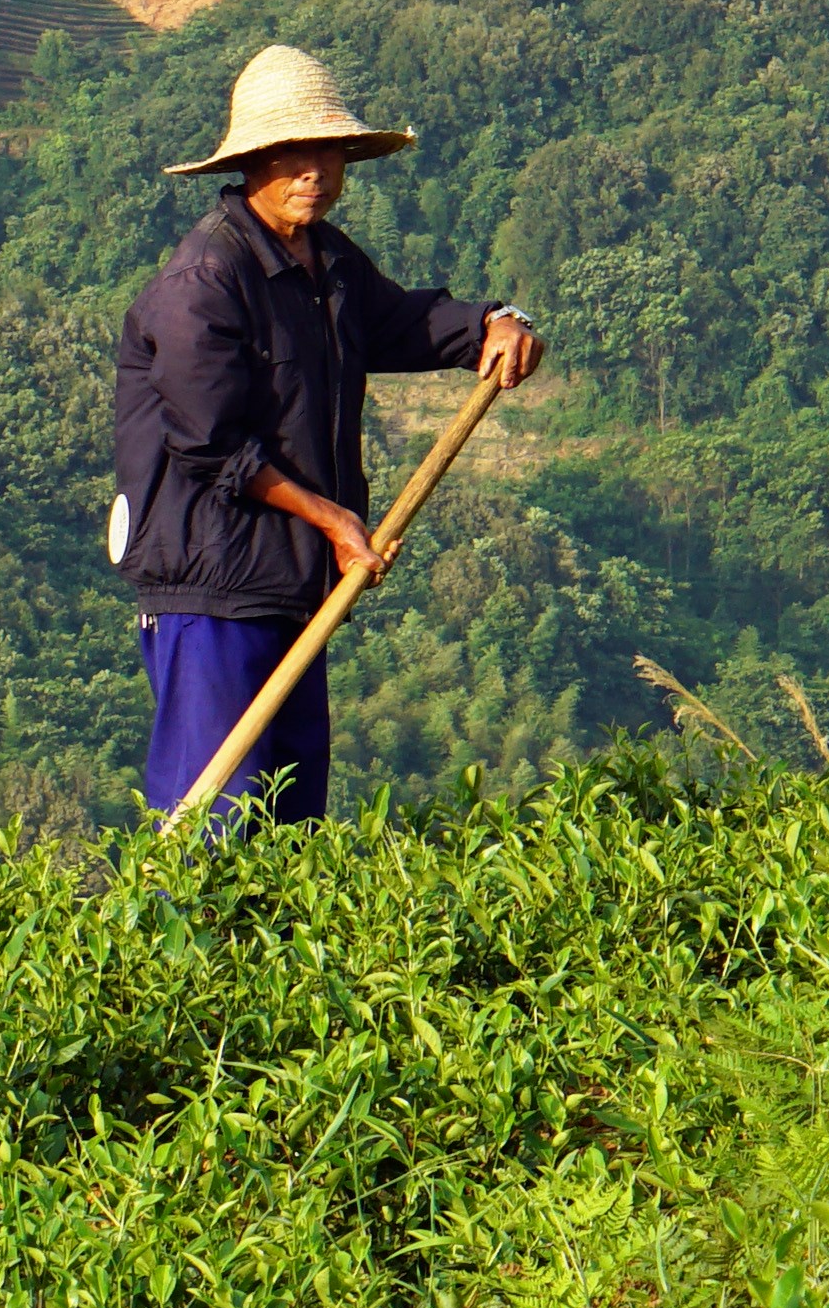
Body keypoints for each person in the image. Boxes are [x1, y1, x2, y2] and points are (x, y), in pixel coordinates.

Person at [111, 44, 542, 825]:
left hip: (297, 589)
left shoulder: (329, 264)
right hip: (213, 594)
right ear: (251, 165)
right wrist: (334, 519)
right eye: (292, 153)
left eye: (328, 151)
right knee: (215, 817)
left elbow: (401, 323)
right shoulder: (203, 281)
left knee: (291, 821)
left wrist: (495, 321)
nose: (314, 169)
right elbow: (209, 444)